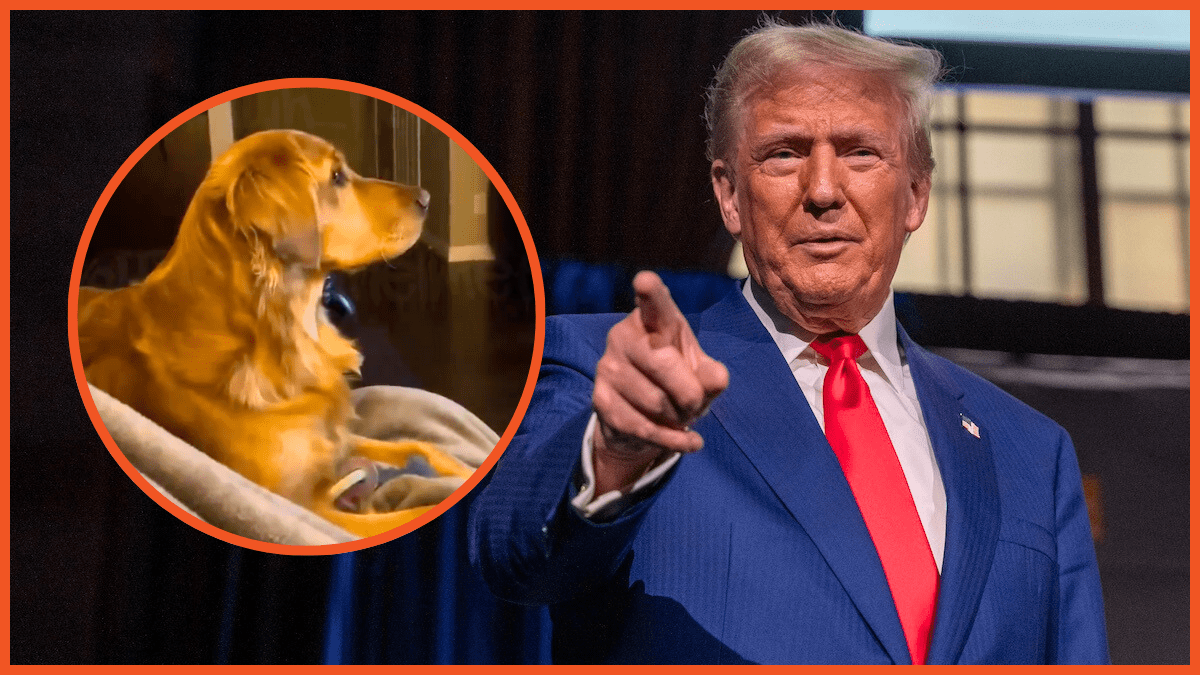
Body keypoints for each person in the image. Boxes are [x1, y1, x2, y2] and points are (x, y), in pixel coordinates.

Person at [469, 20, 1108, 664]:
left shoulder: (1031, 450)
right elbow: (513, 553)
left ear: (916, 194)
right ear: (729, 196)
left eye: (861, 152)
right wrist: (616, 453)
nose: (823, 191)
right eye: (785, 153)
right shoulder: (612, 371)